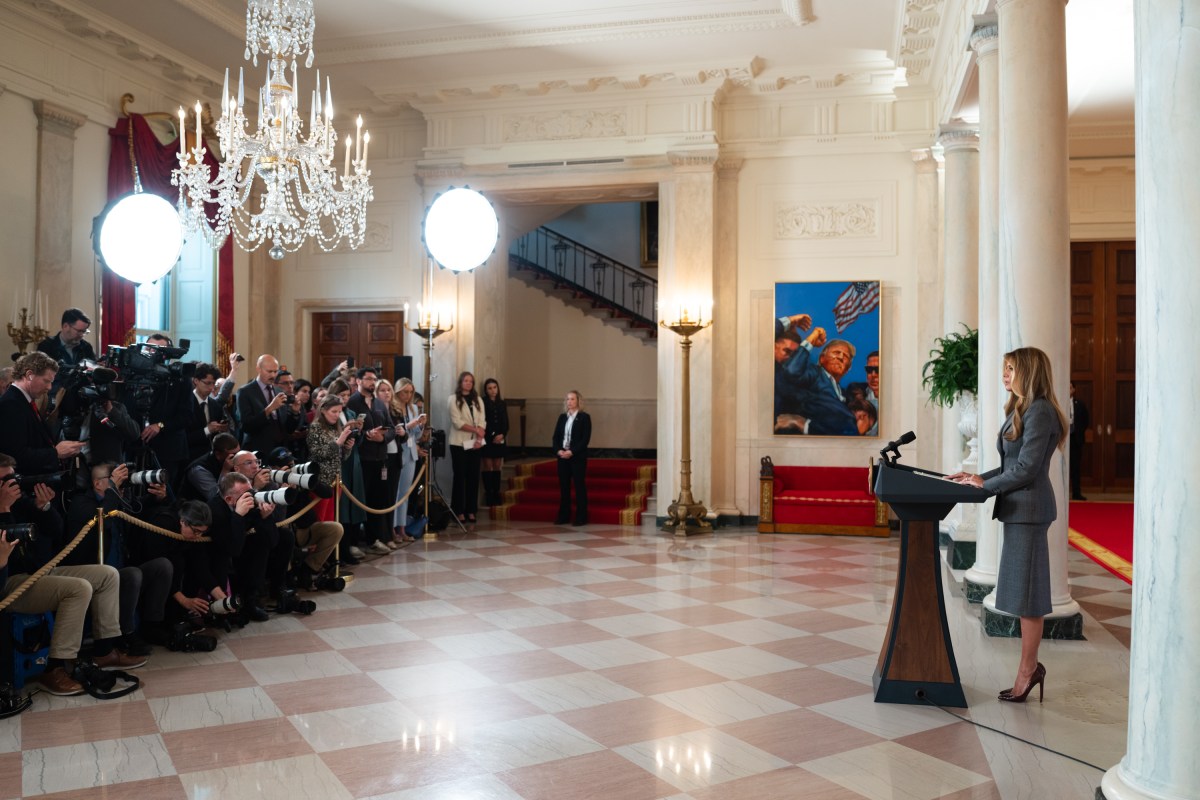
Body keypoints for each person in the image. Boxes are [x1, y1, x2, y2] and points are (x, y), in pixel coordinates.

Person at [949, 347, 1068, 704]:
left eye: (1010, 369)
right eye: (1004, 369)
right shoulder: (1023, 409)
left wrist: (986, 487)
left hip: (1029, 510)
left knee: (1029, 596)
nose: (1005, 375)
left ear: (1027, 372)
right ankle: (1029, 667)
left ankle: (1029, 671)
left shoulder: (1041, 411)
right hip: (1020, 509)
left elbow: (1028, 470)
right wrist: (976, 477)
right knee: (1021, 594)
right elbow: (1010, 466)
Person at [0, 452, 145, 695]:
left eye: (12, 478)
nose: (11, 485)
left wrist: (43, 506)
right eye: (4, 480)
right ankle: (55, 668)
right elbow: (10, 555)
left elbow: (57, 531)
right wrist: (3, 508)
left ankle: (104, 651)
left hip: (38, 571)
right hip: (10, 582)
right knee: (78, 588)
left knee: (107, 574)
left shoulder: (18, 501)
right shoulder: (6, 504)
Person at [0, 351, 85, 474]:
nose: (49, 387)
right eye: (46, 381)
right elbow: (14, 456)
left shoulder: (23, 400)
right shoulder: (10, 404)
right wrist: (55, 453)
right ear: (29, 375)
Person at [347, 367, 396, 555]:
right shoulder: (352, 403)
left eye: (374, 379)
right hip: (362, 459)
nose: (372, 382)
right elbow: (349, 430)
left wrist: (383, 438)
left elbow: (391, 428)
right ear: (358, 381)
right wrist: (366, 434)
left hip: (380, 458)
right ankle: (353, 542)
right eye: (368, 379)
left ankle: (374, 538)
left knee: (378, 501)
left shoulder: (379, 404)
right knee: (359, 500)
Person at [774, 326, 858, 436]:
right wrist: (811, 341)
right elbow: (792, 371)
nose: (841, 357)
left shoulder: (845, 395)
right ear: (822, 359)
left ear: (847, 368)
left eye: (846, 356)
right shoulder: (815, 373)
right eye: (836, 353)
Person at [235, 354, 298, 453]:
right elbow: (246, 426)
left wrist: (294, 412)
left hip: (280, 450)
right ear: (258, 369)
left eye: (275, 371)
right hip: (258, 449)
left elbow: (287, 429)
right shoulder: (245, 392)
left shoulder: (278, 391)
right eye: (269, 371)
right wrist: (269, 409)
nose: (273, 375)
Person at [447, 371, 486, 524]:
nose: (468, 383)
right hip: (458, 443)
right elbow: (457, 422)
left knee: (473, 477)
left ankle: (471, 510)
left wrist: (480, 437)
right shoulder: (453, 399)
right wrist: (476, 430)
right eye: (466, 381)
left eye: (471, 381)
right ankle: (458, 510)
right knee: (460, 477)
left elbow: (482, 419)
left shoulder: (478, 400)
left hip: (476, 443)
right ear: (460, 383)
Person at [389, 379, 424, 543]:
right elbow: (398, 430)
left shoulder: (413, 407)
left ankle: (402, 527)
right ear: (397, 392)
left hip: (410, 452)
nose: (408, 395)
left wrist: (420, 425)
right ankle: (392, 528)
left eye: (410, 392)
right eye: (405, 392)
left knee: (405, 493)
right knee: (394, 492)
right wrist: (410, 425)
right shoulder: (392, 407)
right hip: (397, 451)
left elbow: (415, 435)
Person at [552, 390, 591, 526]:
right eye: (567, 399)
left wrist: (572, 451)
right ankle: (564, 516)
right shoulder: (562, 417)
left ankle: (581, 517)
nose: (569, 402)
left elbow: (584, 440)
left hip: (577, 457)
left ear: (578, 401)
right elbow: (556, 437)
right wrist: (558, 451)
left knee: (579, 486)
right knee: (564, 487)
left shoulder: (584, 417)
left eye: (572, 399)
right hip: (562, 457)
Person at [480, 378, 510, 507]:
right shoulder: (483, 402)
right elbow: (484, 421)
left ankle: (496, 493)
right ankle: (489, 494)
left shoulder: (502, 403)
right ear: (486, 390)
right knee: (488, 465)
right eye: (490, 388)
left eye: (495, 387)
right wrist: (492, 435)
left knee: (497, 465)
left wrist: (502, 434)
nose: (493, 390)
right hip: (487, 438)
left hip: (500, 438)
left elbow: (506, 422)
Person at [1069, 381, 1090, 501]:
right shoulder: (1060, 404)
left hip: (1075, 440)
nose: (1068, 390)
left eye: (1070, 388)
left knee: (1075, 468)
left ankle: (1076, 493)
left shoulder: (1079, 404)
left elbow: (1086, 421)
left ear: (1074, 390)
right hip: (1063, 440)